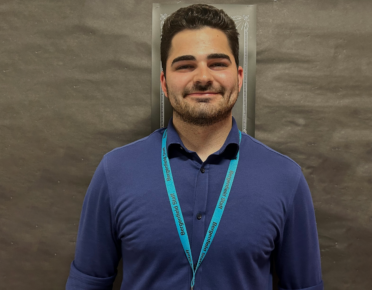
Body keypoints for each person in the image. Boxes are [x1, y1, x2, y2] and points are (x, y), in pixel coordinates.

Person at [66, 4, 323, 290]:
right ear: (164, 82)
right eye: (185, 65)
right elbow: (87, 284)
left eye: (217, 63)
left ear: (238, 77)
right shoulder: (115, 172)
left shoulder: (285, 178)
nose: (203, 77)